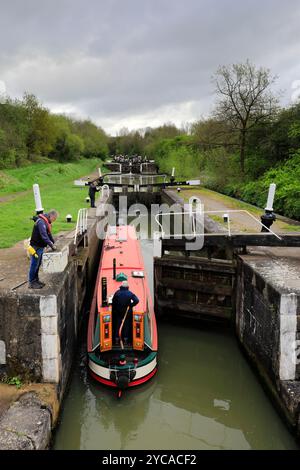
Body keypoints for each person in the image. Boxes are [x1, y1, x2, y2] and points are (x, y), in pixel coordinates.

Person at [28, 210, 58, 289]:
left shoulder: (46, 222)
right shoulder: (41, 222)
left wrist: (53, 242)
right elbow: (44, 235)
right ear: (51, 216)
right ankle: (31, 282)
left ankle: (36, 280)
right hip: (35, 247)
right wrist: (51, 245)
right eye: (54, 219)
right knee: (34, 264)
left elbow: (48, 234)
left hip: (40, 247)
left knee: (38, 264)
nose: (53, 221)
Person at [112, 281, 139, 345]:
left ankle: (116, 340)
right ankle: (126, 340)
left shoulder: (117, 293)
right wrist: (131, 305)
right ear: (127, 287)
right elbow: (137, 300)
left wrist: (115, 310)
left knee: (118, 325)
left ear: (121, 286)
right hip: (127, 313)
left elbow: (114, 303)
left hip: (118, 313)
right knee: (126, 326)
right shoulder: (130, 293)